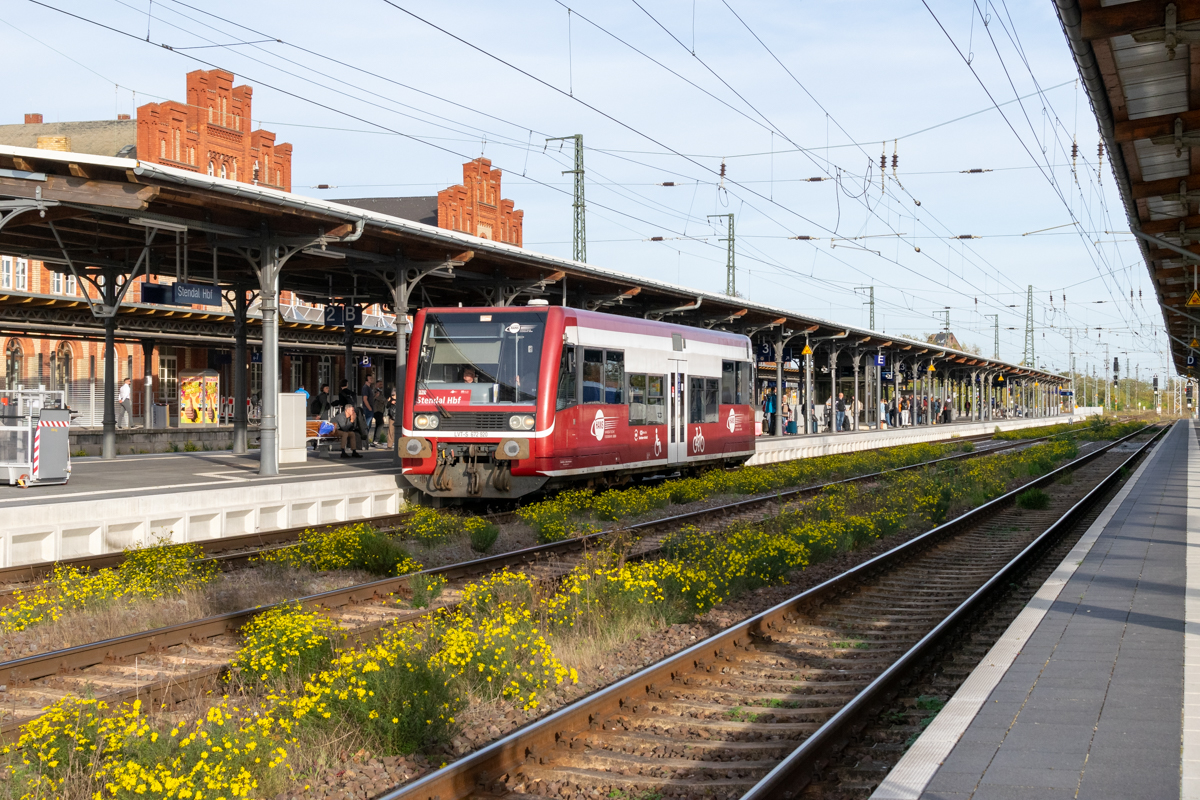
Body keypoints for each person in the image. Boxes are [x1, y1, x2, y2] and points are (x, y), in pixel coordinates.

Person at [372, 382, 386, 447]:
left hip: (380, 410)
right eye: (380, 384)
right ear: (376, 385)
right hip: (377, 410)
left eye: (382, 384)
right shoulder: (375, 392)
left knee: (378, 424)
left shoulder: (380, 391)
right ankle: (376, 440)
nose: (381, 385)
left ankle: (375, 440)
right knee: (381, 423)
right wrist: (387, 401)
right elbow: (381, 399)